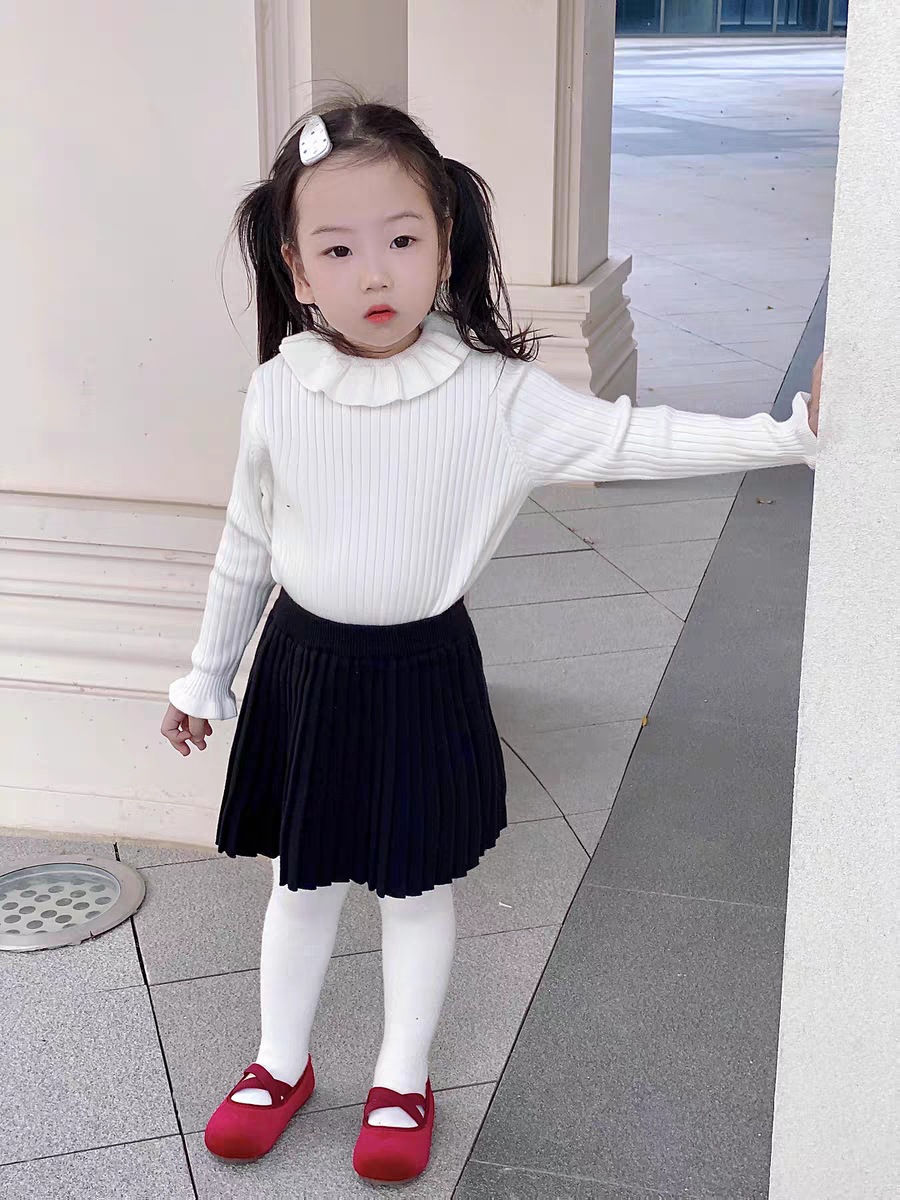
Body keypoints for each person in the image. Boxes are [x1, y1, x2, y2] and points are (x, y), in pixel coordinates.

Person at [160, 98, 820, 1184]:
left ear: (445, 244)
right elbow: (248, 540)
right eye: (338, 249)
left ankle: (401, 1077)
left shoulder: (496, 397)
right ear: (296, 269)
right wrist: (206, 674)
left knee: (414, 885)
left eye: (401, 239)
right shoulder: (279, 390)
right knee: (300, 882)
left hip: (419, 674)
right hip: (306, 669)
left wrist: (791, 433)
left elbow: (634, 437)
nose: (375, 273)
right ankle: (280, 1063)